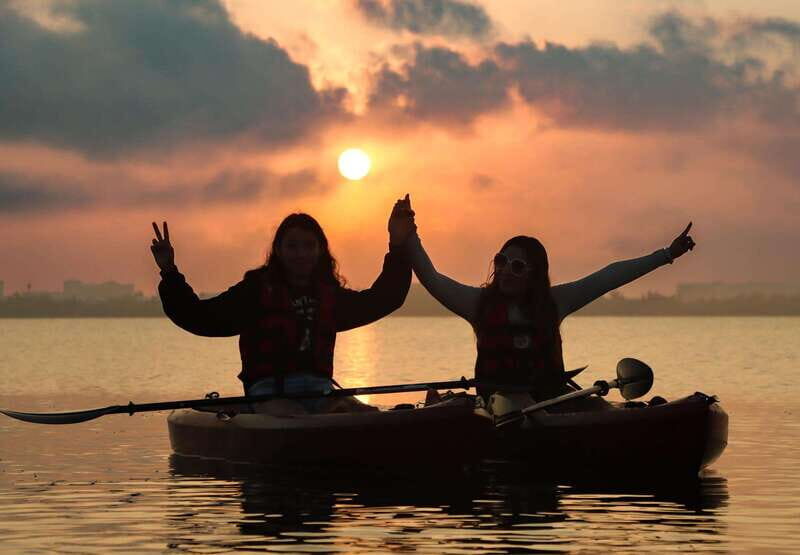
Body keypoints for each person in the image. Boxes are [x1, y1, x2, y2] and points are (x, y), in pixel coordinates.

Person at [396, 195, 696, 412]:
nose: (504, 270)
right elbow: (432, 279)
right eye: (501, 261)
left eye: (516, 266)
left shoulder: (555, 301)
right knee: (515, 404)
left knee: (600, 409)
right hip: (500, 404)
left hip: (552, 399)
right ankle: (442, 403)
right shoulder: (478, 304)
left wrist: (666, 254)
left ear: (534, 275)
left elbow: (608, 277)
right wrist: (408, 233)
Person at [150, 203, 414, 413]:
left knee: (363, 414)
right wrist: (169, 272)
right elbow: (199, 317)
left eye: (309, 246)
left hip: (321, 391)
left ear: (320, 251)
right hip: (268, 393)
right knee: (291, 413)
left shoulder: (329, 296)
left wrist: (398, 245)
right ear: (278, 250)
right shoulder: (254, 291)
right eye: (292, 246)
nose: (301, 254)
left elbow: (384, 299)